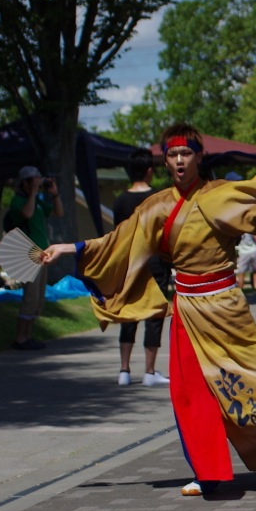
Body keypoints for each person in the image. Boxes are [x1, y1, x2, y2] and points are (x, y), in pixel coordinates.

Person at [42, 123, 256, 496]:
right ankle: (208, 471)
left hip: (226, 307)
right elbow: (118, 241)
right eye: (172, 155)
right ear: (164, 160)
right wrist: (68, 248)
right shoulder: (156, 206)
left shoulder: (224, 195)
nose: (179, 161)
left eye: (186, 154)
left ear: (200, 157)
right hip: (186, 310)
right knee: (190, 394)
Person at [111, 150, 171, 386]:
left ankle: (124, 370)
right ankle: (149, 371)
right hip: (155, 261)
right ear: (149, 171)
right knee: (155, 315)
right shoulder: (160, 199)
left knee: (129, 313)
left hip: (129, 263)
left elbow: (117, 236)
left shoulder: (119, 201)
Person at [5, 165, 63, 350]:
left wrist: (54, 194)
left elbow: (59, 213)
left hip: (41, 253)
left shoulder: (37, 200)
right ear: (25, 183)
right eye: (33, 180)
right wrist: (32, 193)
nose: (37, 183)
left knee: (38, 299)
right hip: (27, 253)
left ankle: (27, 336)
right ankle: (20, 338)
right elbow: (27, 214)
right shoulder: (18, 201)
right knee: (30, 297)